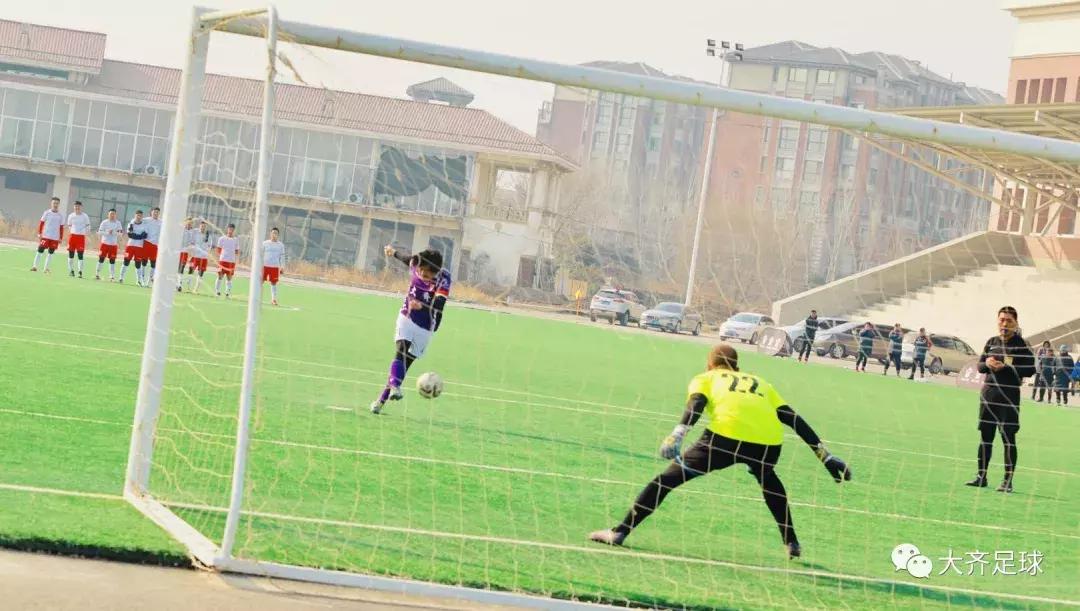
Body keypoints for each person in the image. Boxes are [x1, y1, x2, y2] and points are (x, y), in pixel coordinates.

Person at [587, 344, 851, 559]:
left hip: (723, 439)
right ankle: (791, 542)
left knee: (666, 481)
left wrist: (678, 433)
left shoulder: (706, 378)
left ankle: (620, 532)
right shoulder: (760, 382)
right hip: (768, 442)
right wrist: (824, 456)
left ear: (710, 364)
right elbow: (790, 416)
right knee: (768, 480)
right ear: (737, 365)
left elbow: (697, 403)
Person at [370, 245, 451, 415]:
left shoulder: (444, 279)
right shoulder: (416, 261)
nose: (422, 275)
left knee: (405, 364)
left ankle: (382, 399)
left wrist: (422, 306)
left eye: (427, 274)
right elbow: (407, 259)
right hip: (407, 316)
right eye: (420, 271)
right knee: (400, 350)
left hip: (427, 326)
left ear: (435, 272)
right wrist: (393, 253)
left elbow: (439, 304)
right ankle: (395, 387)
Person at [965, 306, 1035, 493]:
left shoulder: (1022, 345)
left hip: (1009, 398)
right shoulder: (991, 342)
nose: (1004, 324)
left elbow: (1030, 369)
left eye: (1008, 321)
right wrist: (987, 363)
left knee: (1007, 438)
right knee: (985, 437)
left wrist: (1006, 367)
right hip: (989, 396)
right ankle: (981, 476)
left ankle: (1007, 481)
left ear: (1016, 323)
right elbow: (980, 366)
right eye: (1001, 320)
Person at [31, 197, 64, 273]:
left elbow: (61, 227)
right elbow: (41, 223)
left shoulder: (60, 215)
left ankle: (46, 268)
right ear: (51, 203)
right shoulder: (47, 213)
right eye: (54, 203)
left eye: (57, 203)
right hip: (45, 236)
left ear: (59, 204)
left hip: (55, 238)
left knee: (51, 253)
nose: (55, 205)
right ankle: (35, 266)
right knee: (40, 250)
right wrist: (39, 233)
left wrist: (60, 238)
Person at [119, 210, 147, 286]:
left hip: (139, 247)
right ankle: (121, 278)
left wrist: (137, 236)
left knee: (138, 264)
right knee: (126, 262)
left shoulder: (144, 225)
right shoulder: (131, 224)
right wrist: (139, 236)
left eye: (140, 216)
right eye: (137, 215)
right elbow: (130, 235)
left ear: (142, 217)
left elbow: (145, 235)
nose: (139, 217)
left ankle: (138, 280)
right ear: (135, 216)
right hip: (130, 246)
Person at [183, 220, 213, 293]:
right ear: (199, 226)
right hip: (195, 256)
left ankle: (196, 289)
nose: (203, 227)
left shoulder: (208, 236)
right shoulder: (195, 232)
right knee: (190, 271)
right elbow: (191, 241)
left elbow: (209, 246)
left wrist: (206, 252)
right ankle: (188, 287)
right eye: (202, 226)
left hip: (203, 257)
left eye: (204, 226)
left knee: (201, 274)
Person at [95, 208, 123, 281]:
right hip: (104, 244)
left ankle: (112, 276)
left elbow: (120, 233)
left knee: (112, 260)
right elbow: (99, 232)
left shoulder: (118, 223)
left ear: (115, 215)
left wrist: (113, 232)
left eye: (113, 214)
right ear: (108, 215)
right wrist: (107, 232)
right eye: (111, 214)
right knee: (101, 259)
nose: (112, 215)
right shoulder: (104, 222)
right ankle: (97, 274)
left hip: (113, 245)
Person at [262, 227, 286, 306]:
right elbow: (260, 254)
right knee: (260, 282)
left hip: (275, 267)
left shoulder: (280, 245)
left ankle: (273, 299)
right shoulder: (265, 243)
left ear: (278, 235)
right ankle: (256, 297)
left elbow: (282, 257)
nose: (274, 234)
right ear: (270, 234)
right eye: (273, 233)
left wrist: (282, 267)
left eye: (276, 233)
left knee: (274, 283)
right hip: (265, 266)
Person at [215, 223, 240, 298]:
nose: (231, 231)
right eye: (230, 229)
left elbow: (237, 251)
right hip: (223, 260)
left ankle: (227, 293)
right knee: (220, 276)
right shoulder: (222, 239)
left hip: (231, 261)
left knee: (229, 277)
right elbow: (218, 250)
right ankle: (217, 291)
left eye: (232, 229)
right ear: (227, 229)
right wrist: (221, 257)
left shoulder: (236, 240)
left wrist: (234, 259)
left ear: (234, 230)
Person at [142, 207, 162, 285]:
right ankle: (142, 279)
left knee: (153, 263)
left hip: (155, 245)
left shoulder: (161, 222)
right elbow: (136, 221)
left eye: (157, 212)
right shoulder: (146, 220)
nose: (156, 213)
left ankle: (150, 280)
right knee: (144, 262)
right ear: (151, 212)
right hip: (146, 243)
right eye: (154, 212)